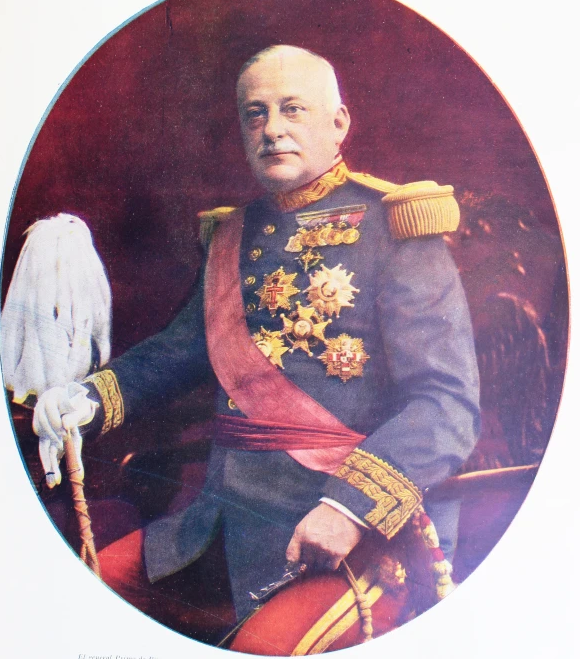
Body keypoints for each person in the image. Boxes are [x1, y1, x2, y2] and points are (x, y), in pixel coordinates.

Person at [32, 45, 480, 630]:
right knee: (74, 611)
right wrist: (87, 398)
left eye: (292, 110)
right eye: (255, 114)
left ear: (338, 123)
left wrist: (349, 509)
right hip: (217, 525)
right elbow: (175, 353)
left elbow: (447, 405)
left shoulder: (396, 229)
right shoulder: (233, 237)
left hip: (349, 538)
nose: (272, 130)